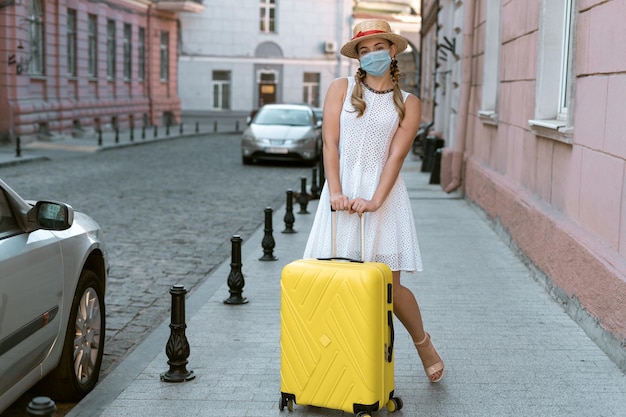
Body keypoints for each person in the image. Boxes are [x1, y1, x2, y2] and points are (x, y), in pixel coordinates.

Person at [303, 19, 444, 383]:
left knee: (388, 287)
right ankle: (331, 360)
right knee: (333, 282)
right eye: (363, 51)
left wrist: (376, 200)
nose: (370, 56)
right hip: (341, 193)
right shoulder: (340, 88)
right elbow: (330, 144)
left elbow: (396, 157)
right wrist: (335, 191)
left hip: (385, 196)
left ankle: (423, 342)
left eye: (377, 48)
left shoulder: (409, 103)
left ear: (392, 50)